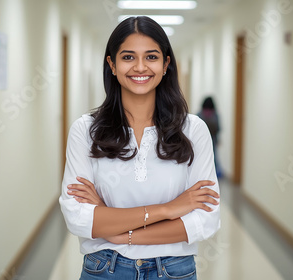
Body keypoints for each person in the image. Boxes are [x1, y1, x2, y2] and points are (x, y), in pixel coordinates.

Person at [59, 16, 220, 280]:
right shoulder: (86, 130)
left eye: (152, 57)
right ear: (111, 64)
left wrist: (114, 229)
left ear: (166, 64)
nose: (140, 67)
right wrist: (169, 209)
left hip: (173, 271)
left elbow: (205, 220)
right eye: (128, 57)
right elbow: (78, 217)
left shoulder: (193, 130)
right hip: (104, 269)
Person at [197, 97, 224, 179]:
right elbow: (218, 128)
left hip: (205, 140)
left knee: (208, 158)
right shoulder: (215, 115)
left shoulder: (199, 114)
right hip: (210, 140)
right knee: (213, 157)